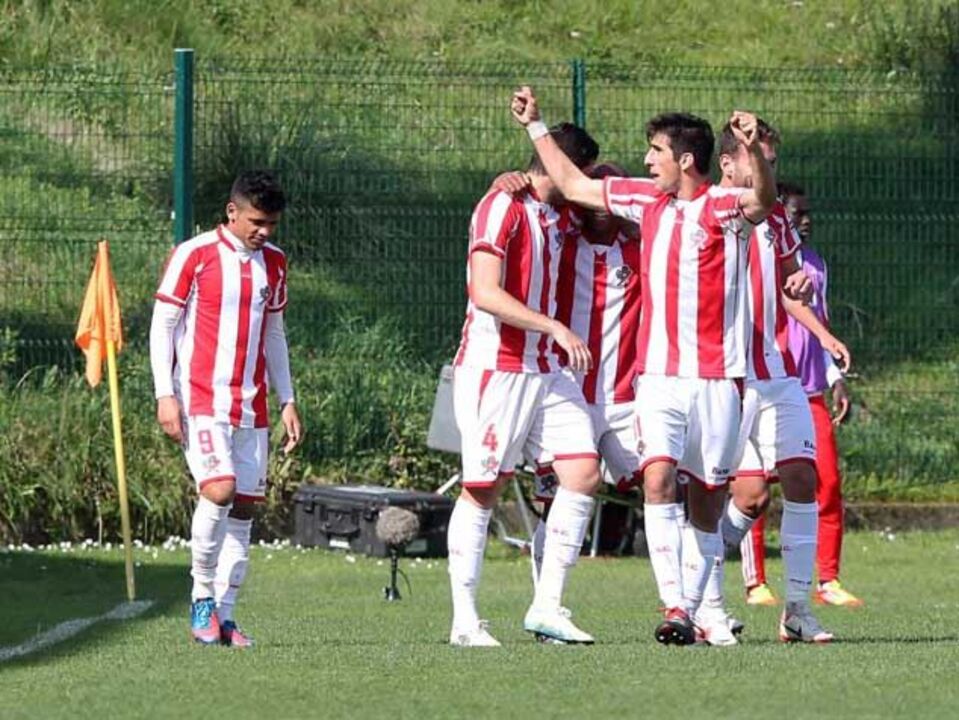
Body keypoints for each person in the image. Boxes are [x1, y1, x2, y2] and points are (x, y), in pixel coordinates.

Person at [511, 86, 780, 646]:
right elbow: (576, 184)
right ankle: (675, 607)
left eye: (655, 150)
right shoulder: (643, 200)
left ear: (684, 159)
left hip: (718, 380)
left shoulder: (721, 207)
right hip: (658, 379)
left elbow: (759, 201)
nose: (647, 159)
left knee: (706, 500)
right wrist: (535, 127)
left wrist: (752, 151)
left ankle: (704, 604)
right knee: (657, 478)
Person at [448, 123, 603, 647]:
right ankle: (465, 622)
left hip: (547, 370)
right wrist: (554, 326)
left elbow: (619, 210)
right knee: (483, 488)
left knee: (582, 473)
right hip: (498, 367)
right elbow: (485, 292)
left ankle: (547, 607)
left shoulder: (563, 214)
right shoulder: (500, 206)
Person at [696, 122, 850, 646]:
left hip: (774, 373)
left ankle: (799, 609)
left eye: (772, 160)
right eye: (757, 157)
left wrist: (819, 328)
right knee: (745, 496)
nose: (767, 169)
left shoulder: (777, 220)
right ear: (729, 164)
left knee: (804, 478)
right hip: (724, 376)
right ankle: (704, 603)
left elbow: (788, 288)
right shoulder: (706, 211)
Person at [150, 170, 303, 647]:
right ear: (232, 211)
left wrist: (287, 398)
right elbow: (163, 326)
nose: (265, 232)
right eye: (257, 221)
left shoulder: (274, 263)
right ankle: (200, 598)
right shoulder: (194, 255)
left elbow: (274, 333)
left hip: (251, 407)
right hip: (201, 398)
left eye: (272, 224)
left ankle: (226, 615)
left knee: (243, 509)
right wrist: (164, 394)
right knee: (219, 490)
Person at [740, 182, 864, 608]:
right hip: (767, 385)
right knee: (755, 487)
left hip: (809, 392)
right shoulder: (761, 259)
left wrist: (835, 379)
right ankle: (755, 582)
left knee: (826, 484)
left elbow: (820, 332)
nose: (805, 221)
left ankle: (827, 579)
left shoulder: (815, 264)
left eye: (808, 214)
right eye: (797, 214)